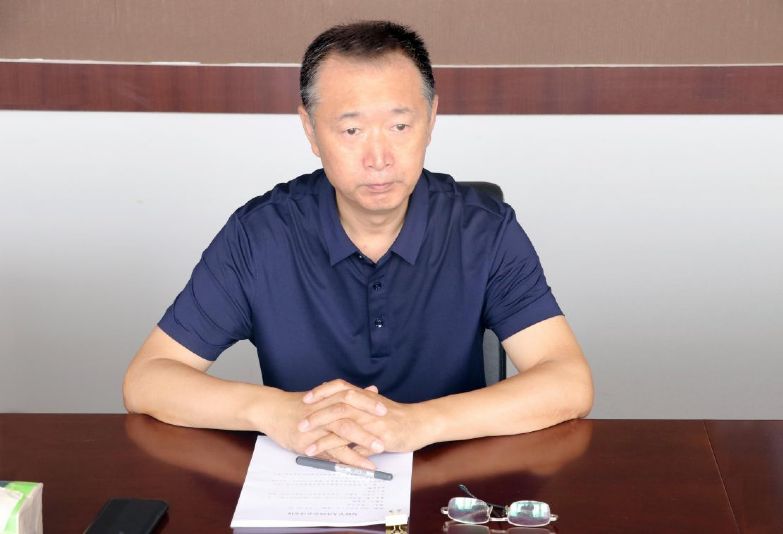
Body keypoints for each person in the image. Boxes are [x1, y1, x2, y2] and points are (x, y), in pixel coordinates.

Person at [123, 20, 593, 470]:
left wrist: (419, 423)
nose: (379, 158)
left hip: (452, 487)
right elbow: (148, 378)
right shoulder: (260, 235)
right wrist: (275, 411)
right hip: (307, 481)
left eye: (400, 127)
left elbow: (568, 381)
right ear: (310, 130)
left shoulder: (484, 230)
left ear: (431, 119)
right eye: (351, 130)